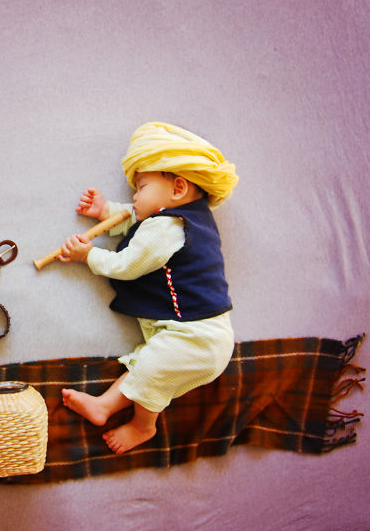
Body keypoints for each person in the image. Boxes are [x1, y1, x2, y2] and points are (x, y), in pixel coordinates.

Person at [58, 121, 239, 454]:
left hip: (197, 338)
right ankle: (105, 406)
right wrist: (106, 211)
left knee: (152, 370)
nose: (134, 196)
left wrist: (89, 256)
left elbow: (128, 264)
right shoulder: (188, 217)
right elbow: (140, 217)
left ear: (178, 188)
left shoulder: (169, 226)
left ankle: (144, 426)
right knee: (145, 365)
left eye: (140, 187)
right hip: (201, 335)